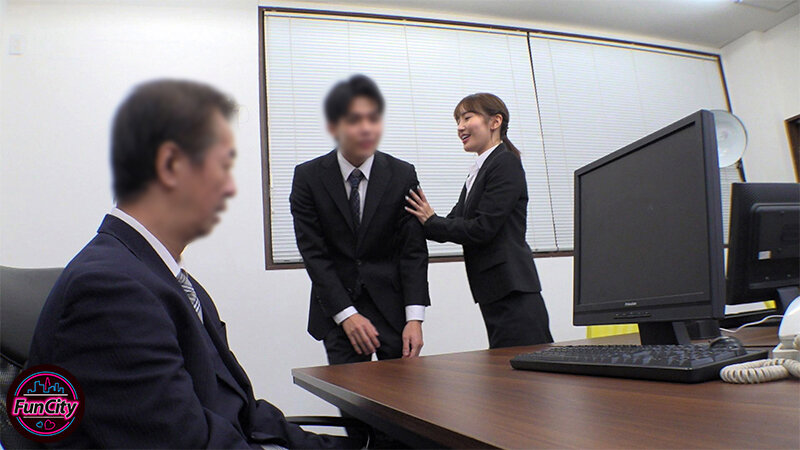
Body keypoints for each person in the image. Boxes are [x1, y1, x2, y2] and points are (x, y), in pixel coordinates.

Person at [26, 79, 360, 449]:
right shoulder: (110, 290)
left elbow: (244, 413)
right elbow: (188, 443)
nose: (229, 188)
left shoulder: (165, 280)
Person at [290, 75, 430, 365]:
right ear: (334, 126)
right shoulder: (308, 178)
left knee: (400, 392)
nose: (366, 128)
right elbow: (314, 254)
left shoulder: (402, 174)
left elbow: (413, 251)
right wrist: (347, 315)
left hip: (394, 313)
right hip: (338, 312)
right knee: (348, 393)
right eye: (355, 120)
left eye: (373, 119)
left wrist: (415, 318)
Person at [405, 93, 553, 349]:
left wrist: (431, 221)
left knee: (526, 363)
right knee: (507, 365)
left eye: (467, 118)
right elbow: (451, 223)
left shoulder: (505, 162)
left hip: (513, 289)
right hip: (494, 290)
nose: (460, 127)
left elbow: (483, 228)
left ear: (495, 122)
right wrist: (417, 217)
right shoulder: (480, 169)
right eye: (457, 121)